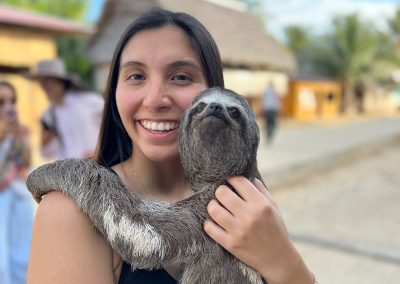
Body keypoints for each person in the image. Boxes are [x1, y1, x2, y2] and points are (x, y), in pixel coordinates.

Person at [27, 9, 317, 284]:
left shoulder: (243, 206)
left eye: (181, 77)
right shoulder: (69, 214)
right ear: (114, 91)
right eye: (136, 76)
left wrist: (287, 265)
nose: (155, 99)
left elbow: (144, 239)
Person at [25, 58, 103, 160]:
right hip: (69, 173)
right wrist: (45, 143)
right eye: (41, 82)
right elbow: (47, 153)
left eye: (48, 81)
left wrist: (100, 151)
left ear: (60, 81)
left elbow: (113, 127)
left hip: (98, 166)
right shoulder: (48, 115)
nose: (44, 86)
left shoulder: (89, 101)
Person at [0, 80, 34, 284]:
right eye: (1, 102)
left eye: (12, 101)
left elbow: (26, 162)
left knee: (23, 257)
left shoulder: (17, 131)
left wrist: (20, 139)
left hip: (19, 197)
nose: (8, 107)